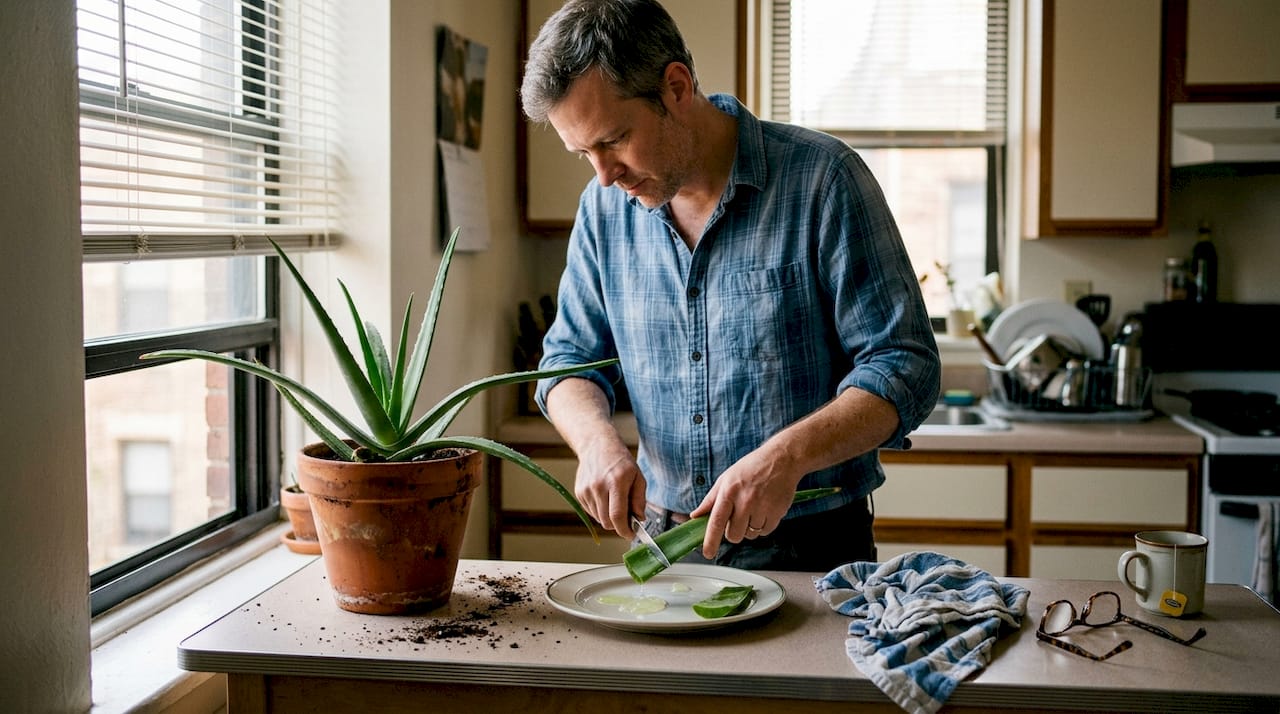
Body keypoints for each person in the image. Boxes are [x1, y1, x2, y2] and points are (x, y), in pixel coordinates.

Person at [520, 0, 940, 572]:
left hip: (813, 549)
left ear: (675, 86)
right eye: (582, 153)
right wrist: (595, 441)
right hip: (666, 547)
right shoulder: (602, 209)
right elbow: (567, 361)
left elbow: (905, 364)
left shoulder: (824, 180)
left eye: (614, 140)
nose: (604, 175)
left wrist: (787, 457)